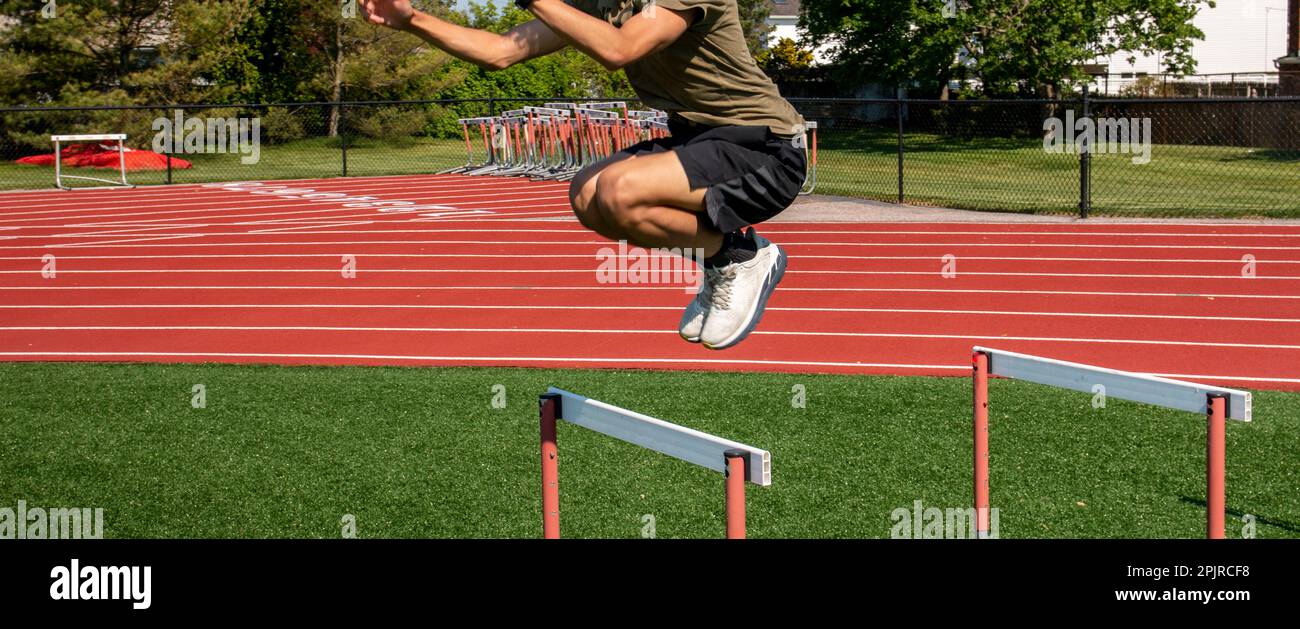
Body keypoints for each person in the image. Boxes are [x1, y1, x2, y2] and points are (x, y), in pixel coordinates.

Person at [362, 0, 808, 349]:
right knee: (587, 194)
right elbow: (498, 52)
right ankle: (728, 257)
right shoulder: (605, 5)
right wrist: (411, 19)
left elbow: (620, 50)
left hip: (766, 147)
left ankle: (739, 259)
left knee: (619, 191)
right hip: (700, 139)